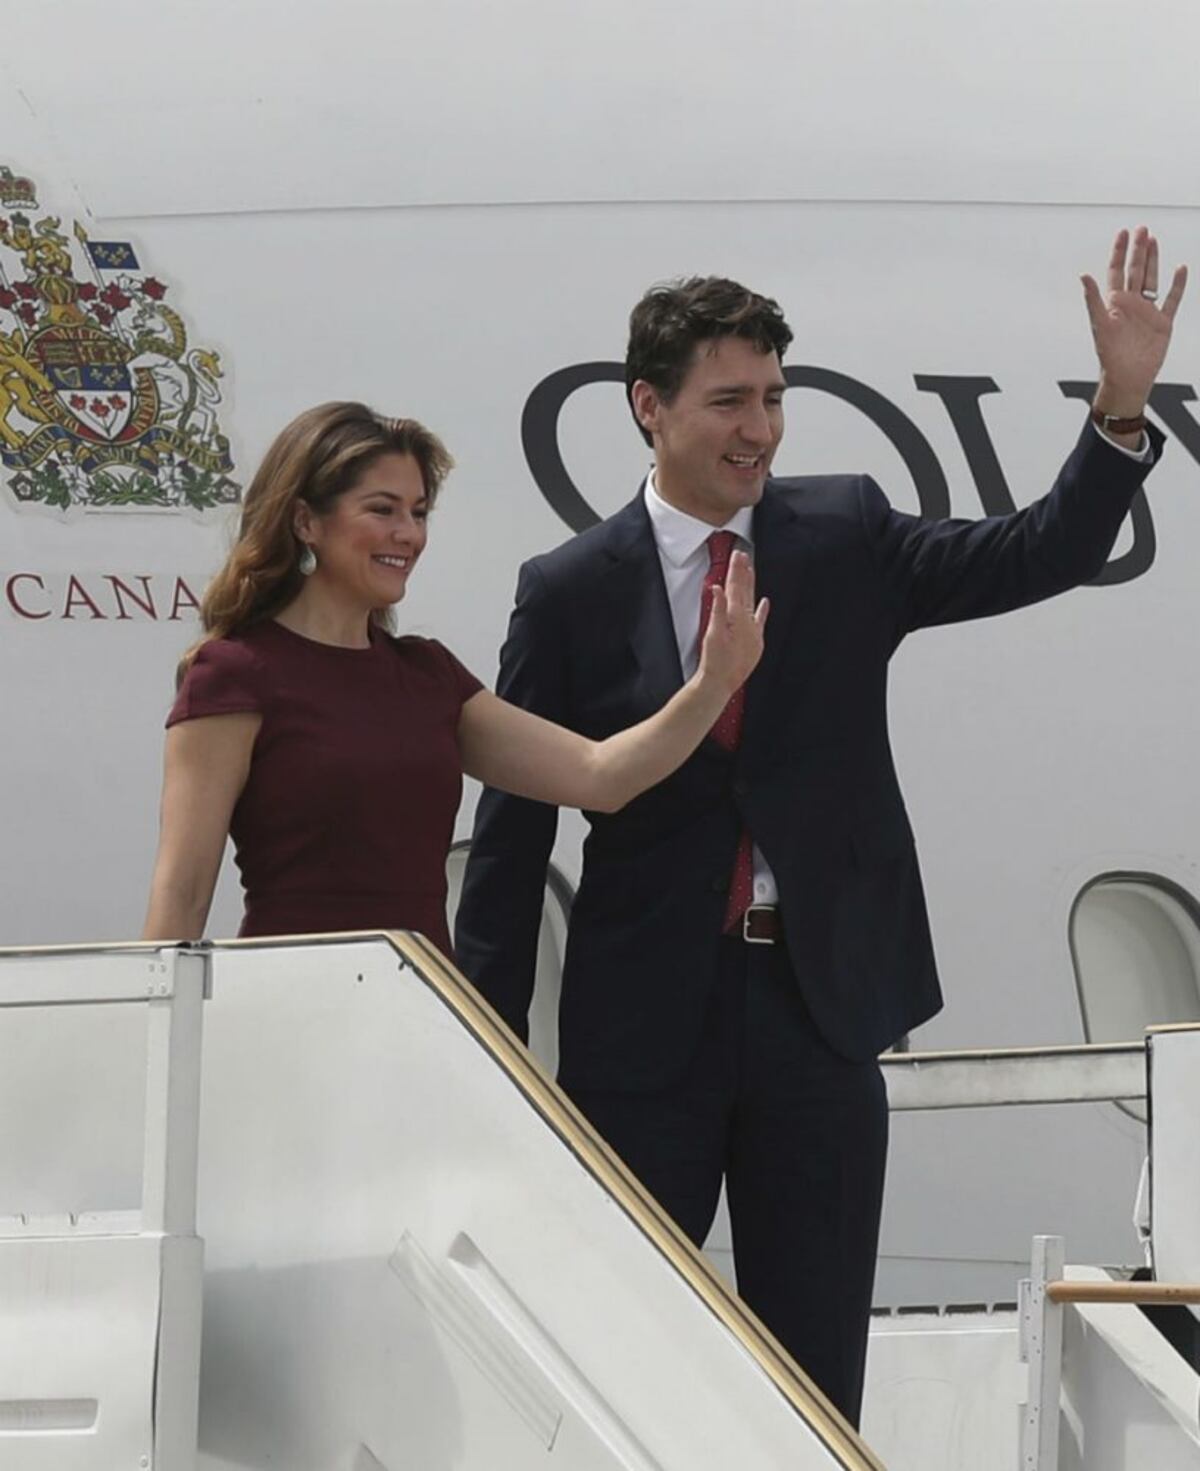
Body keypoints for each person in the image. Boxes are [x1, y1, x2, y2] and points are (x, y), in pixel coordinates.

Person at [454, 227, 1188, 1424]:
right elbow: (514, 834)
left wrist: (1117, 410)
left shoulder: (841, 532)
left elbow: (1039, 550)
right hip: (643, 1032)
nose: (760, 428)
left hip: (818, 1015)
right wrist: (481, 1048)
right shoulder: (571, 589)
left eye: (776, 398)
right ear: (648, 405)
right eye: (729, 400)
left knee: (814, 1375)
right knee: (627, 1354)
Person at [141, 401, 766, 948]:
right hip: (296, 1010)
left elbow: (599, 776)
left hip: (424, 1014)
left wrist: (713, 683)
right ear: (306, 521)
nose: (408, 534)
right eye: (382, 509)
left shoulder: (427, 674)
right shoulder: (234, 674)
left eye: (418, 512)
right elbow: (183, 893)